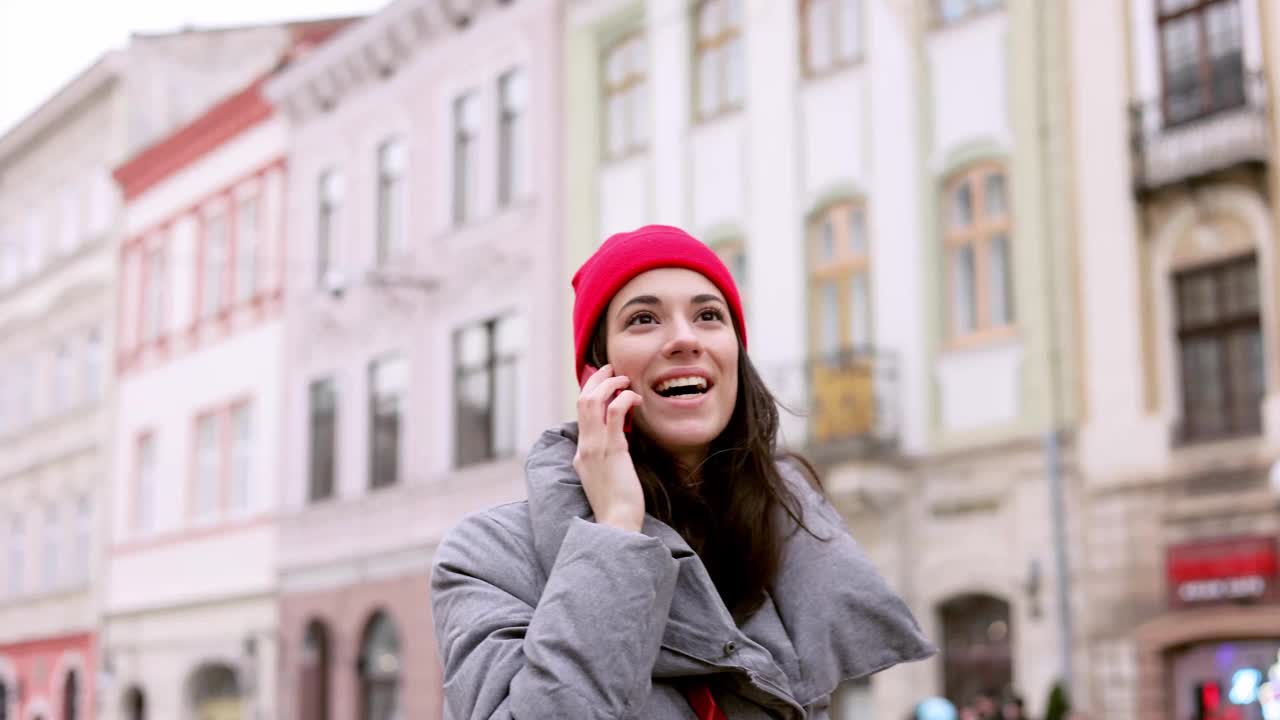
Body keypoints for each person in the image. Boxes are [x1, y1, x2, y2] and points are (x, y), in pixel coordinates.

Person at [430, 225, 935, 718]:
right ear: (597, 373)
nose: (684, 339)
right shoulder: (487, 558)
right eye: (644, 319)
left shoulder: (785, 546)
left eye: (709, 315)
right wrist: (615, 531)